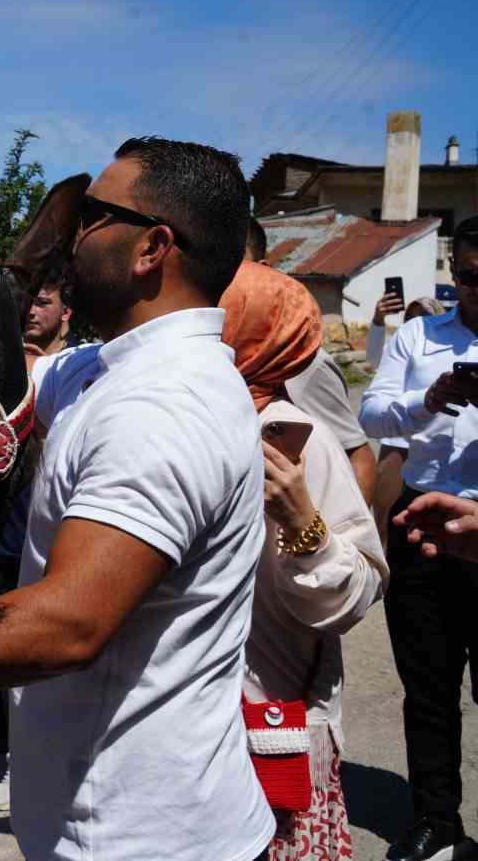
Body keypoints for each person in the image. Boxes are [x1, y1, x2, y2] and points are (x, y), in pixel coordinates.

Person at [0, 137, 274, 860]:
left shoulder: (163, 406)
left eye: (95, 215)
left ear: (151, 248)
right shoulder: (106, 371)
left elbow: (66, 625)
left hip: (144, 843)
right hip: (111, 828)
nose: (74, 234)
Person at [221, 261, 388, 860]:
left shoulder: (294, 437)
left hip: (267, 723)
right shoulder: (165, 423)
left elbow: (351, 593)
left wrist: (300, 523)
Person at [359, 214, 478, 861]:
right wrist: (427, 400)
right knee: (428, 686)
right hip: (423, 525)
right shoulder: (417, 338)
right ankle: (437, 817)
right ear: (454, 274)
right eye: (468, 278)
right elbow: (371, 412)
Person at [0, 272, 73, 813]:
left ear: (66, 314)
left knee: (36, 652)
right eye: (27, 302)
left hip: (56, 539)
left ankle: (21, 764)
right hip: (9, 535)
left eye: (45, 301)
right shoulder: (5, 366)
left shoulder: (75, 370)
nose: (34, 311)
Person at [243, 232, 377, 503]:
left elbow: (359, 458)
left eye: (233, 264)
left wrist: (336, 537)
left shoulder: (301, 362)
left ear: (263, 271)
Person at [365, 290, 446, 542]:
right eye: (410, 317)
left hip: (428, 449)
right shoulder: (402, 343)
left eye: (423, 317)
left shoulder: (445, 349)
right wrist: (378, 320)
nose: (416, 322)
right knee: (384, 515)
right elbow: (373, 358)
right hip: (395, 443)